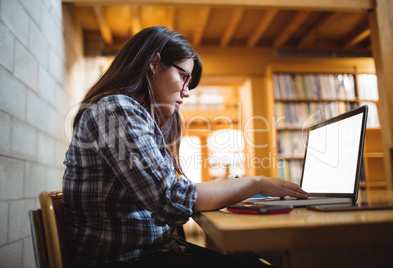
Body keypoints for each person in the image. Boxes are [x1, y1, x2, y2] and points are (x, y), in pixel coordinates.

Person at [62, 26, 309, 268]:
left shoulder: (129, 113)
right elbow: (170, 198)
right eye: (183, 77)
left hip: (150, 252)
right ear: (154, 63)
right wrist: (256, 183)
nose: (186, 92)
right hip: (130, 260)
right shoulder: (116, 110)